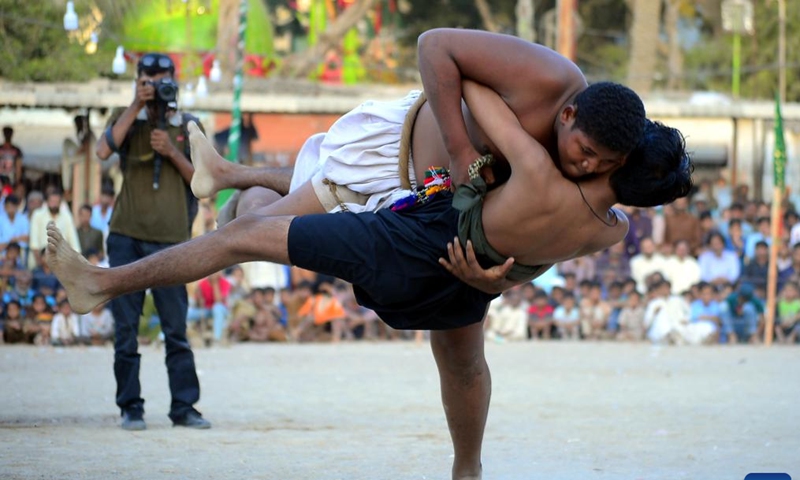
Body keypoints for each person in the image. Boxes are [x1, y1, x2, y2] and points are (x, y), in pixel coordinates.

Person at [51, 77, 690, 477]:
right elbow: (528, 262)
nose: (583, 160)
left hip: (412, 246)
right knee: (462, 362)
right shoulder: (610, 230)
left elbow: (471, 88)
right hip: (459, 281)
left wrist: (542, 102)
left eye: (600, 158)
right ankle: (467, 468)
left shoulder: (541, 169)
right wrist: (493, 280)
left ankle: (105, 283)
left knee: (248, 233)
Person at [189, 29, 649, 228]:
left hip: (421, 205)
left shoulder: (585, 178)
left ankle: (229, 177)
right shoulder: (547, 77)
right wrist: (459, 147)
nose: (587, 165)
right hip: (392, 151)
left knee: (273, 215)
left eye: (603, 164)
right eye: (586, 150)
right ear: (568, 115)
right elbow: (434, 46)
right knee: (257, 230)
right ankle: (227, 214)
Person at [93, 52, 210, 431]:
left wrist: (172, 151)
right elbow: (102, 150)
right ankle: (131, 407)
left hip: (173, 242)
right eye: (149, 78)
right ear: (139, 79)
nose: (157, 84)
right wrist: (135, 104)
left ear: (174, 79)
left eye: (163, 78)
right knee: (126, 329)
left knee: (175, 329)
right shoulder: (128, 118)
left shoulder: (189, 124)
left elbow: (205, 182)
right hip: (127, 236)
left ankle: (184, 408)